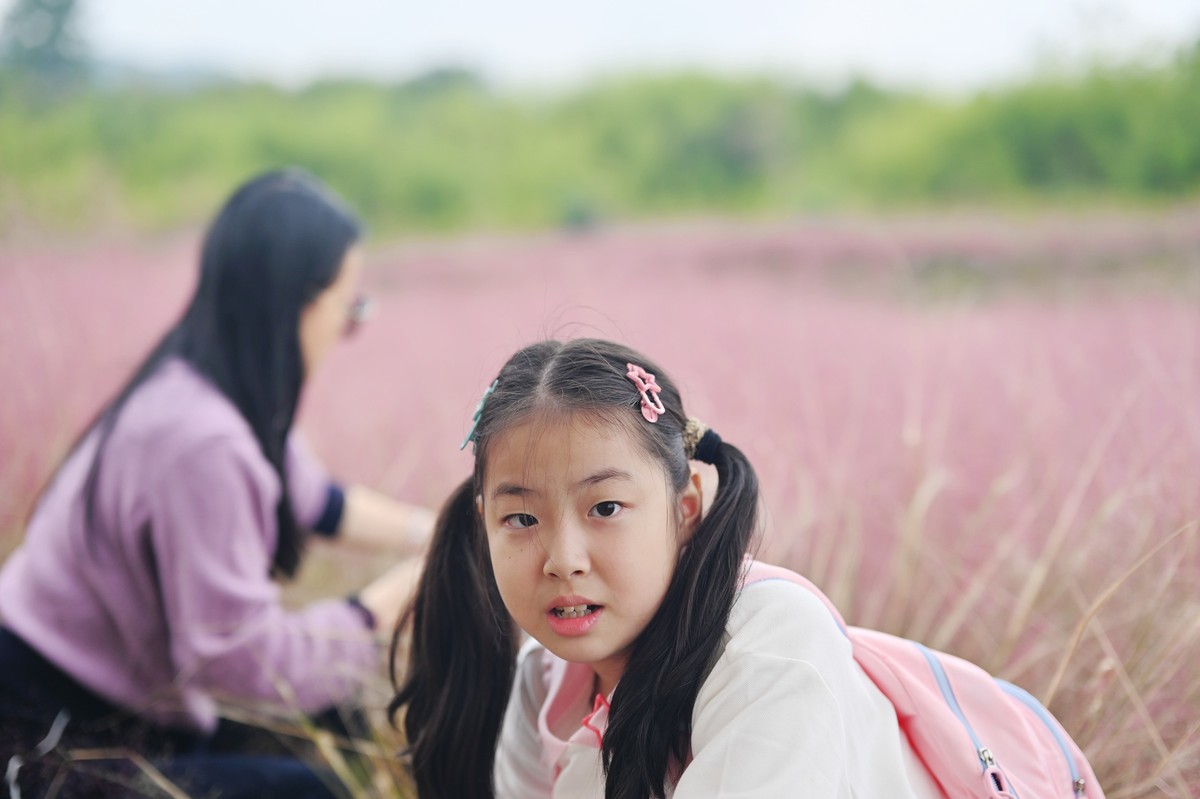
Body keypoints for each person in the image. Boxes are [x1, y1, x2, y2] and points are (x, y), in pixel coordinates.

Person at [0, 169, 433, 798]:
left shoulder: (205, 390)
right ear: (292, 306)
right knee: (310, 791)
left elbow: (320, 501)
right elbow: (237, 661)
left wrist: (440, 529)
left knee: (341, 715)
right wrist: (382, 610)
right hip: (48, 732)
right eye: (349, 308)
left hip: (112, 703)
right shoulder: (200, 443)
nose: (349, 331)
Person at [390, 338, 946, 799]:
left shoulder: (766, 649)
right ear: (484, 521)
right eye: (520, 518)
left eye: (605, 508)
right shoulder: (545, 681)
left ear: (685, 511)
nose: (563, 560)